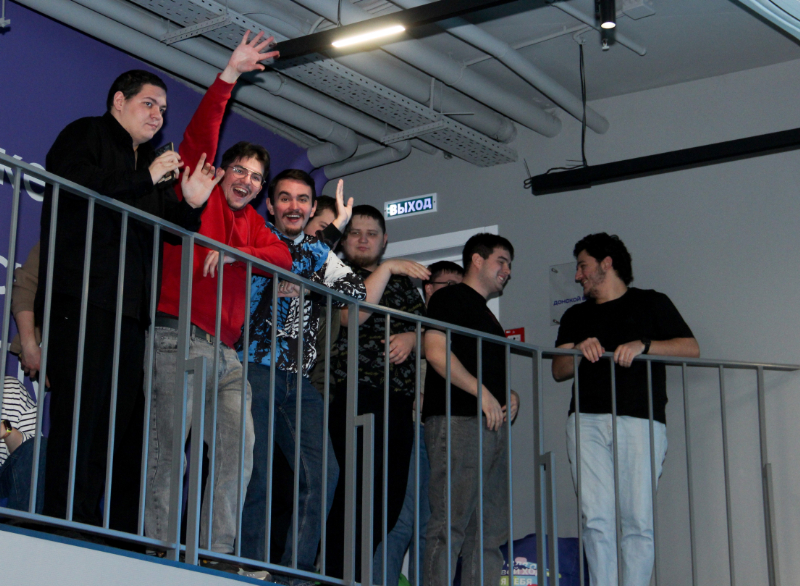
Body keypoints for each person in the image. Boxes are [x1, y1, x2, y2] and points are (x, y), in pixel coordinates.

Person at [36, 66, 218, 535]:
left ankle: (89, 525)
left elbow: (168, 228)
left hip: (131, 313)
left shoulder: (149, 166)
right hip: (83, 299)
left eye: (163, 109)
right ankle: (60, 524)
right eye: (148, 104)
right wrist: (148, 176)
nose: (158, 115)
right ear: (119, 101)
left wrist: (191, 203)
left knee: (113, 423)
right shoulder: (86, 134)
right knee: (79, 415)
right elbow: (76, 184)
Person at [143, 31, 291, 575]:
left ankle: (216, 554)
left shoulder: (253, 226)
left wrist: (233, 253)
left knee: (237, 452)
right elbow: (202, 130)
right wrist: (229, 74)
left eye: (257, 178)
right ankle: (157, 551)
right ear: (220, 170)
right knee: (168, 449)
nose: (247, 182)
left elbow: (283, 257)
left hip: (227, 356)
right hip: (176, 335)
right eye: (241, 171)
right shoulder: (199, 189)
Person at [551, 232, 699, 586]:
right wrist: (578, 351)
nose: (577, 275)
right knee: (595, 519)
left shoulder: (652, 302)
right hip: (586, 421)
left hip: (642, 420)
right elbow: (558, 369)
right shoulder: (575, 314)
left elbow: (691, 348)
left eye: (582, 266)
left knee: (637, 521)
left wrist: (644, 345)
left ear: (607, 263)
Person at [240, 171, 366, 586]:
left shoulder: (315, 251)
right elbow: (272, 270)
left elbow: (355, 290)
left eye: (302, 199)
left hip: (300, 380)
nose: (293, 206)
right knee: (256, 470)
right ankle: (249, 565)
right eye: (285, 198)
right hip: (254, 367)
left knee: (324, 474)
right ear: (270, 204)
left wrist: (307, 283)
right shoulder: (258, 235)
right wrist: (323, 249)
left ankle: (295, 571)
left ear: (312, 208)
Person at [325, 205, 430, 581]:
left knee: (389, 499)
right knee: (350, 494)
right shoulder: (336, 272)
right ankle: (336, 575)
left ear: (384, 240)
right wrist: (387, 269)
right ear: (344, 239)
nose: (363, 240)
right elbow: (350, 317)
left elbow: (430, 334)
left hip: (398, 402)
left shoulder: (404, 285)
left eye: (371, 234)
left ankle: (357, 574)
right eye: (355, 232)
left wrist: (412, 337)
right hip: (353, 396)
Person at [422, 233, 515, 586]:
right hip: (457, 422)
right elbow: (435, 350)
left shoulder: (487, 315)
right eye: (501, 261)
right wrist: (482, 393)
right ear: (477, 260)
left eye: (509, 264)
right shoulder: (449, 298)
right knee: (450, 523)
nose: (507, 270)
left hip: (490, 426)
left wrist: (507, 395)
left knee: (489, 531)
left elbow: (481, 365)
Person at [373, 260, 463, 586]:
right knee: (399, 519)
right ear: (428, 288)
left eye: (460, 288)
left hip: (447, 437)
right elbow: (382, 370)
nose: (455, 294)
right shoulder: (410, 319)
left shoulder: (463, 329)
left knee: (433, 525)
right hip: (413, 431)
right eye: (448, 286)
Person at [0, 376, 44, 513]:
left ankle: (24, 523)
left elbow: (34, 450)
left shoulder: (10, 389)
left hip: (4, 481)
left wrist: (7, 430)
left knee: (36, 449)